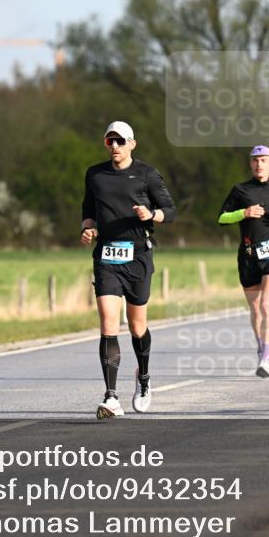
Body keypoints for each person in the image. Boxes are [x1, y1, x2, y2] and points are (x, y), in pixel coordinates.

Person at [80, 121, 176, 419]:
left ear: (132, 143)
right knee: (109, 324)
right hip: (107, 256)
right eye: (110, 141)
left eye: (120, 141)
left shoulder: (146, 174)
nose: (115, 147)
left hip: (138, 256)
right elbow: (88, 208)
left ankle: (144, 379)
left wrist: (152, 214)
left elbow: (170, 210)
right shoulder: (95, 174)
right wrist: (88, 228)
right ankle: (111, 397)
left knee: (137, 326)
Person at [217, 145, 269, 378]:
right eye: (255, 160)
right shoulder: (240, 190)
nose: (259, 164)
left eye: (263, 160)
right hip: (249, 255)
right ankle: (261, 345)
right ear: (251, 164)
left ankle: (267, 358)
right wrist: (244, 213)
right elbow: (221, 217)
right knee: (255, 308)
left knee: (265, 304)